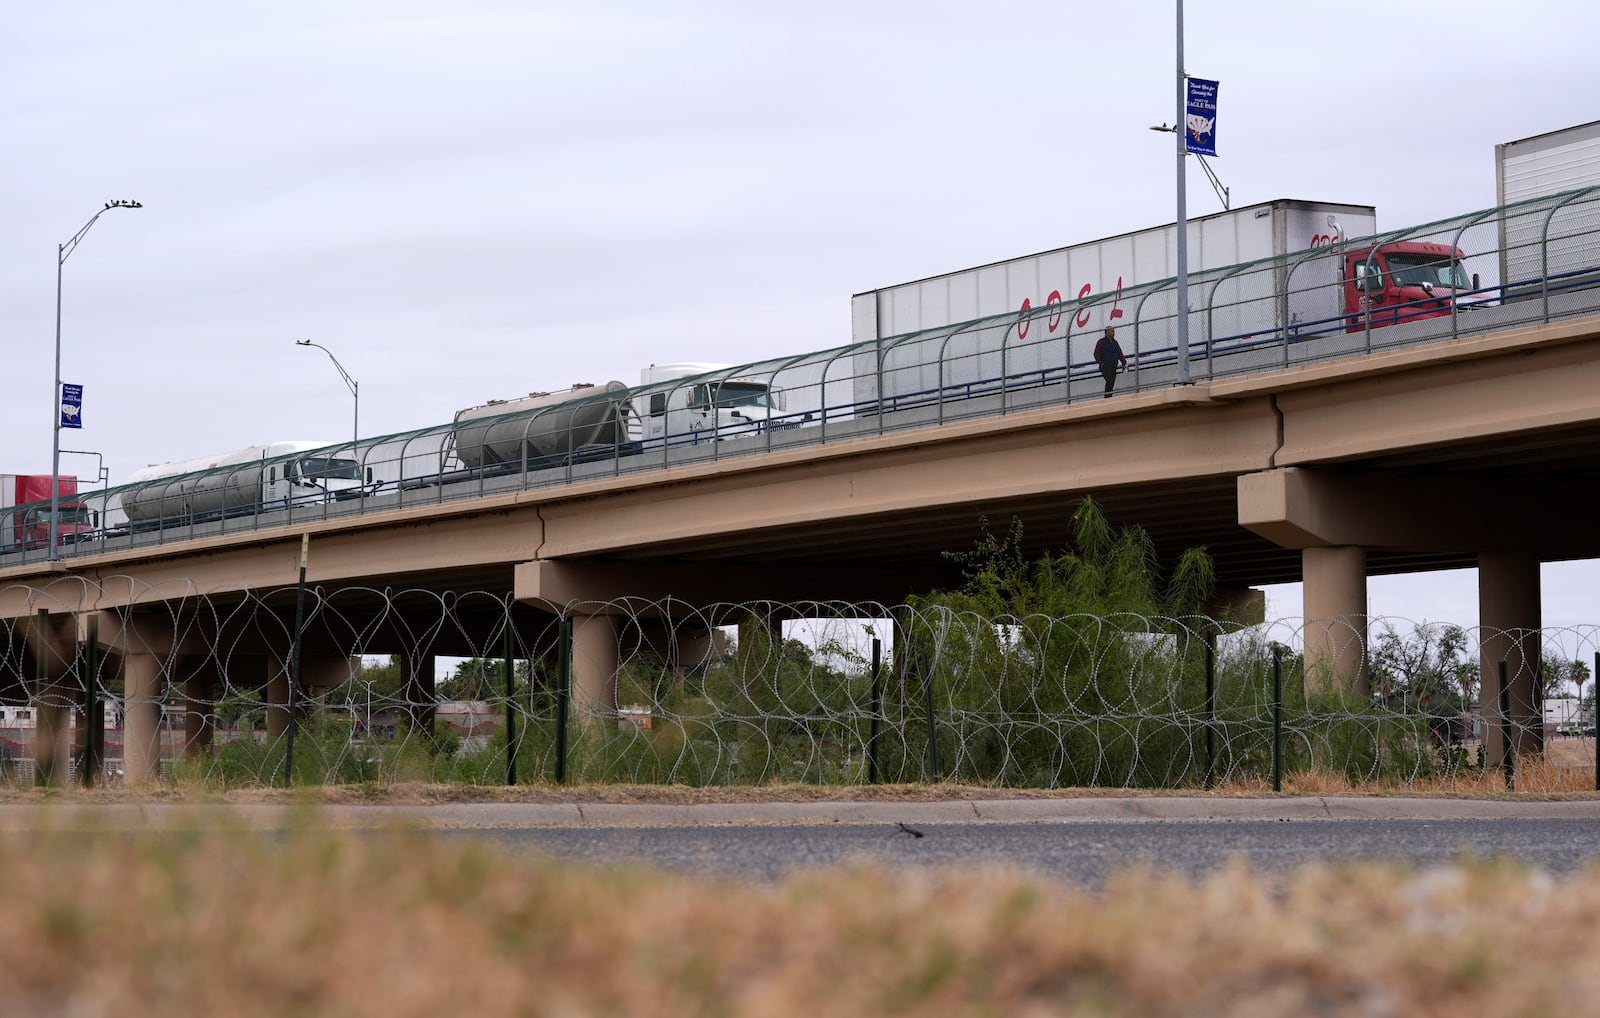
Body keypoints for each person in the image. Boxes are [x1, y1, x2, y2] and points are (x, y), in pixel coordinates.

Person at [1094, 327, 1128, 397]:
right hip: (1105, 366)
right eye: (1112, 331)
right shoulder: (1101, 342)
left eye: (1114, 331)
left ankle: (1109, 396)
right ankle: (1107, 397)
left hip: (1113, 366)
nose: (1113, 333)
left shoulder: (1115, 343)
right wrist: (1101, 363)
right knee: (1109, 380)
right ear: (1107, 332)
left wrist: (1124, 363)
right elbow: (1096, 353)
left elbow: (1119, 353)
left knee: (1111, 382)